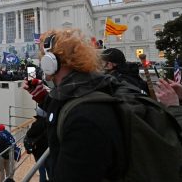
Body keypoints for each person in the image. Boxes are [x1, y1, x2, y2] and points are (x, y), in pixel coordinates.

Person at [24, 29, 125, 182]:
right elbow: (68, 103)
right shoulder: (87, 87)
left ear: (51, 61)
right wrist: (43, 97)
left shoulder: (84, 118)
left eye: (43, 57)